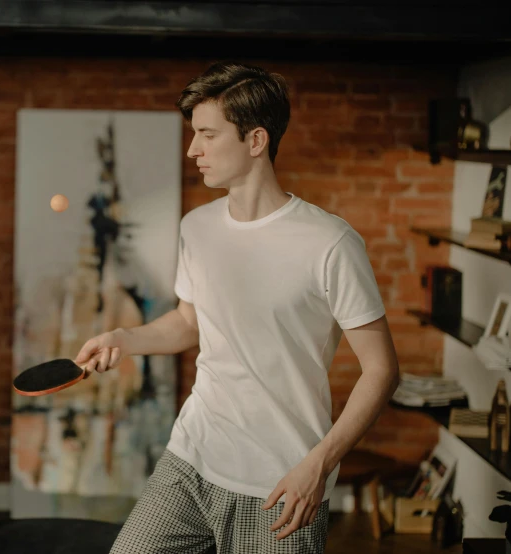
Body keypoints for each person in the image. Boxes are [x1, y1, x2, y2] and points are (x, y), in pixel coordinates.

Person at [74, 61, 400, 554]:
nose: (192, 149)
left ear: (255, 141)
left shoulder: (330, 243)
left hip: (282, 479)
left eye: (207, 134)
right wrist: (125, 339)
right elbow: (190, 322)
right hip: (193, 454)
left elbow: (381, 371)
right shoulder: (197, 228)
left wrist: (319, 464)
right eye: (193, 134)